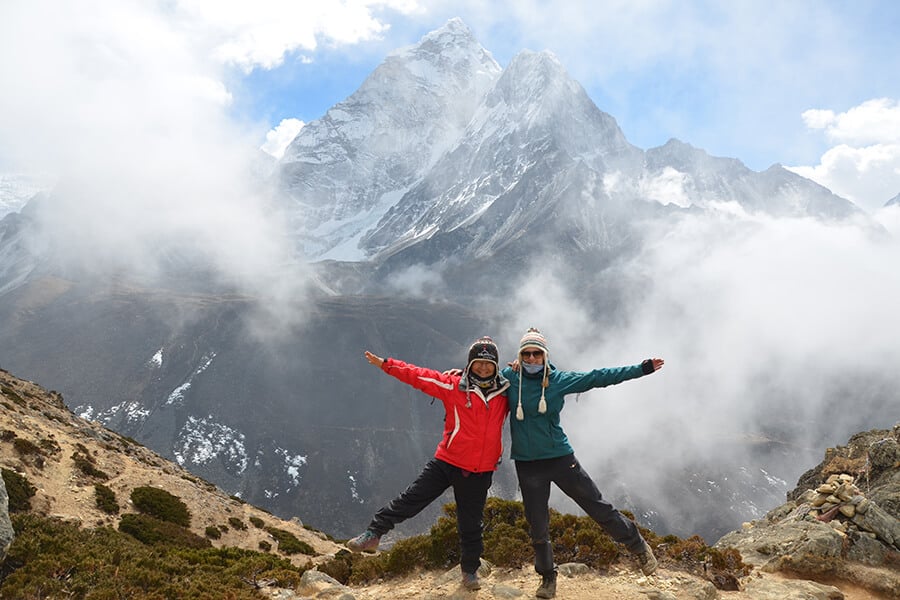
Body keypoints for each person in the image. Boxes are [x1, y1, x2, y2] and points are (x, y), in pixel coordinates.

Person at [502, 327, 664, 599]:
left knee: (597, 507)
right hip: (528, 464)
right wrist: (454, 376)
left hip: (560, 458)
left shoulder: (559, 381)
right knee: (537, 524)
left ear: (545, 356)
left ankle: (638, 546)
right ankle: (547, 579)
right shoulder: (509, 378)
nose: (531, 359)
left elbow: (598, 377)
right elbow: (479, 375)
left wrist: (641, 369)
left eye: (536, 354)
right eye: (526, 354)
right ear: (520, 355)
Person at [346, 336, 510, 591]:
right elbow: (419, 376)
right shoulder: (453, 385)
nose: (484, 368)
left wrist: (522, 364)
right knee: (412, 498)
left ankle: (469, 571)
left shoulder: (506, 391)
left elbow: (532, 377)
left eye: (489, 364)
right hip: (446, 461)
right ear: (470, 364)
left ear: (496, 367)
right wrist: (387, 365)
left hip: (480, 471)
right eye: (478, 363)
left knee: (471, 524)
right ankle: (373, 534)